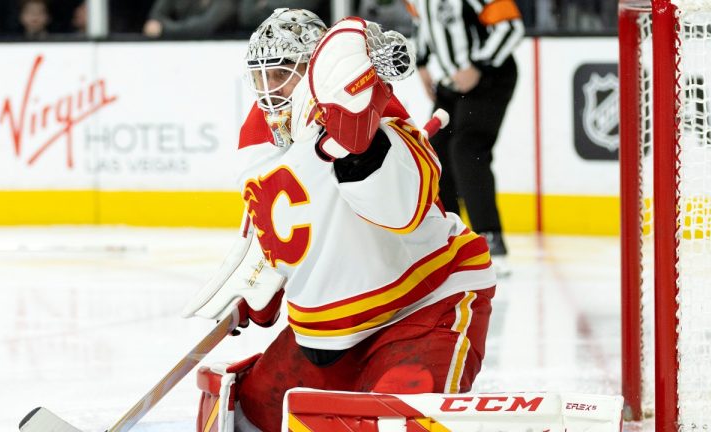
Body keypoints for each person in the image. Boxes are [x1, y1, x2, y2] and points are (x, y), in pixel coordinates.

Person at [185, 8, 498, 432]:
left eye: (281, 74)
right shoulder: (257, 135)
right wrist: (258, 282)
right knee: (251, 413)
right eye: (261, 77)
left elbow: (402, 209)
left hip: (423, 307)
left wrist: (360, 149)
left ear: (317, 70)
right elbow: (273, 222)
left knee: (404, 420)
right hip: (331, 329)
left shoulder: (375, 115)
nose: (268, 90)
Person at [407, 0, 524, 276]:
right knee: (435, 154)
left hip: (491, 76)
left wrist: (479, 65)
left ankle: (491, 240)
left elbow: (511, 27)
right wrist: (422, 64)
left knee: (467, 149)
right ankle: (448, 241)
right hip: (453, 83)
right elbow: (421, 22)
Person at [143, 0, 236, 39]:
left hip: (218, 51)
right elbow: (156, 16)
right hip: (180, 50)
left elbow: (202, 27)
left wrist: (163, 29)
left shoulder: (225, 2)